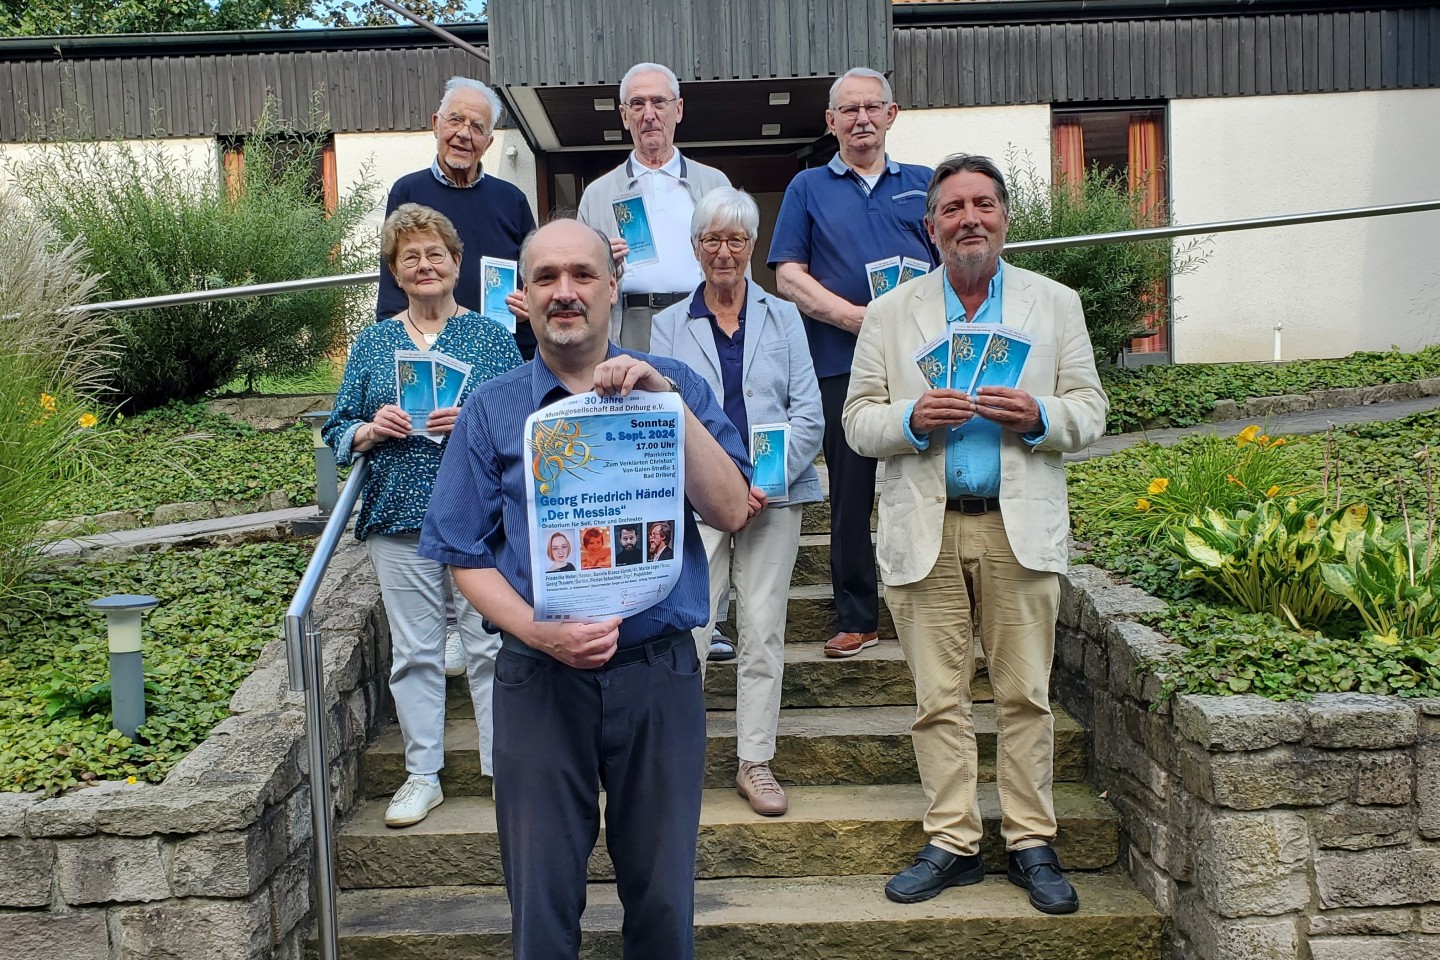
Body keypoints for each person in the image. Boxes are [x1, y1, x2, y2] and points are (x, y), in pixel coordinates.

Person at [417, 218, 752, 959]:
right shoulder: (491, 408)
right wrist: (535, 630)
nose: (564, 292)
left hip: (657, 675)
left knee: (664, 903)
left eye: (581, 275)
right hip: (539, 680)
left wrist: (665, 402)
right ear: (524, 298)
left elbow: (730, 508)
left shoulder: (679, 385)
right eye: (546, 278)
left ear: (610, 288)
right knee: (540, 906)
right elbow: (461, 552)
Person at [841, 154, 1108, 913]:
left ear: (1004, 217)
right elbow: (858, 422)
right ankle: (953, 840)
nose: (970, 219)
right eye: (953, 208)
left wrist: (1042, 416)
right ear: (931, 227)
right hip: (926, 531)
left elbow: (1091, 407)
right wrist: (910, 420)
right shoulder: (892, 314)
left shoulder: (1054, 304)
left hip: (1016, 531)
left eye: (983, 204)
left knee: (1026, 696)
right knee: (938, 699)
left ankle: (1030, 841)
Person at [324, 203, 522, 828]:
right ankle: (422, 774)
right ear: (396, 271)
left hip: (477, 518)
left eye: (436, 253)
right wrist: (367, 428)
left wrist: (473, 422)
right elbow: (335, 426)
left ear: (457, 264)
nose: (425, 265)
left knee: (489, 645)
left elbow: (523, 424)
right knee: (414, 652)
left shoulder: (490, 338)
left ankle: (504, 771)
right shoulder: (376, 341)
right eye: (410, 256)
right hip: (398, 517)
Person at [652, 186, 824, 817]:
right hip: (697, 501)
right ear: (696, 249)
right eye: (711, 240)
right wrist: (719, 485)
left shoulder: (785, 318)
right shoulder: (669, 323)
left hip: (773, 498)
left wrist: (762, 482)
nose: (724, 251)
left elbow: (808, 411)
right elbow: (663, 415)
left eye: (736, 239)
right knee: (690, 629)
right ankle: (680, 756)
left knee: (762, 629)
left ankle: (755, 761)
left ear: (753, 246)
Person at [769, 67, 937, 660]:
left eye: (873, 108)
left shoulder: (926, 183)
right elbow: (789, 275)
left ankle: (932, 610)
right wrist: (859, 321)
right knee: (850, 490)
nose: (861, 119)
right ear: (831, 122)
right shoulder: (806, 188)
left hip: (923, 364)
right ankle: (857, 616)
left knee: (925, 482)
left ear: (892, 115)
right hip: (842, 361)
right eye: (849, 110)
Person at [378, 76, 538, 359]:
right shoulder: (408, 192)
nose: (464, 134)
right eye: (455, 120)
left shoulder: (512, 200)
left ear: (488, 143)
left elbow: (538, 276)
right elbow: (393, 283)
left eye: (477, 127)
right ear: (436, 125)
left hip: (504, 353)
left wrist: (532, 304)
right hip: (431, 354)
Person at [577, 62, 733, 352]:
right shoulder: (596, 194)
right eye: (637, 104)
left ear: (679, 109)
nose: (649, 114)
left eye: (659, 102)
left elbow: (739, 262)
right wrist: (602, 263)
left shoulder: (715, 185)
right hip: (629, 327)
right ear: (624, 115)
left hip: (701, 318)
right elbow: (578, 278)